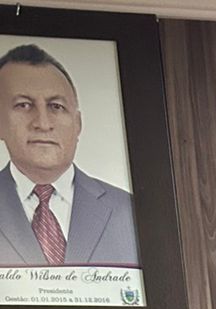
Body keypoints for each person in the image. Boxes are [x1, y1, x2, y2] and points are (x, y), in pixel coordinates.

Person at [0, 44, 138, 268]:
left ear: (78, 124)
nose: (43, 123)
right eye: (23, 105)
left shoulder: (130, 211)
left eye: (56, 106)